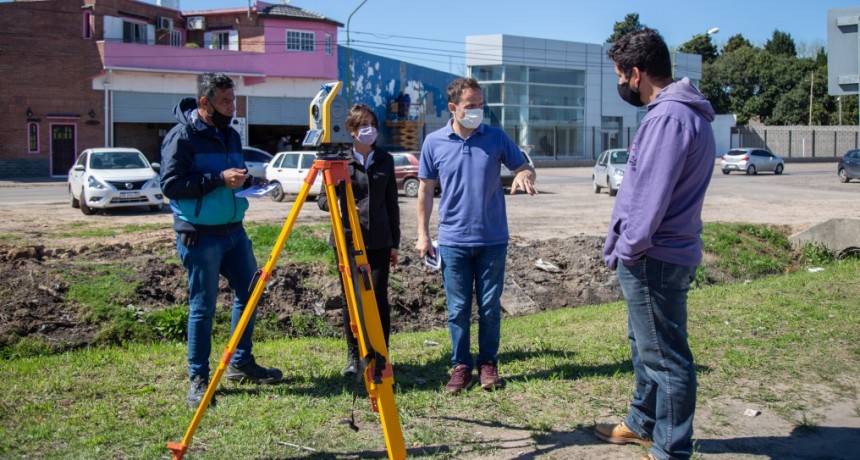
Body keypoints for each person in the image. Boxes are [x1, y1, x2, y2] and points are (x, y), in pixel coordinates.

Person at [596, 29, 716, 460]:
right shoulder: (683, 113)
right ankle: (642, 422)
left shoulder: (668, 118)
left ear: (637, 73)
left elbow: (649, 197)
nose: (620, 85)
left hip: (654, 256)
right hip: (661, 252)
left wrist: (628, 248)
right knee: (646, 346)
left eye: (620, 75)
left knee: (666, 358)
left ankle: (669, 448)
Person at [161, 72, 282, 409]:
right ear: (205, 102)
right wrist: (217, 179)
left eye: (234, 100)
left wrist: (247, 183)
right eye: (226, 102)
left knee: (251, 291)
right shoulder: (181, 137)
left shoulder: (229, 134)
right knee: (203, 306)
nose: (232, 107)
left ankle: (241, 362)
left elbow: (231, 179)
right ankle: (198, 378)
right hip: (199, 233)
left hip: (234, 230)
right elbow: (171, 185)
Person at [416, 77, 537, 394]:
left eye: (481, 105)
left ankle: (487, 364)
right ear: (453, 108)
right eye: (471, 107)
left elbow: (523, 166)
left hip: (493, 240)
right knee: (457, 309)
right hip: (453, 241)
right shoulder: (433, 143)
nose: (478, 112)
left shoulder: (496, 137)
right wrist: (422, 235)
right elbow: (425, 191)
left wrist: (524, 174)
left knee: (489, 307)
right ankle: (460, 367)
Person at [318, 104, 401, 376]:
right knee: (350, 299)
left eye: (373, 124)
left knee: (377, 296)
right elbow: (322, 199)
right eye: (364, 125)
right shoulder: (340, 160)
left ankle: (381, 353)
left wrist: (395, 243)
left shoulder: (385, 160)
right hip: (347, 240)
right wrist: (340, 206)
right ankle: (354, 356)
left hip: (379, 240)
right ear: (352, 131)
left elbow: (392, 204)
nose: (370, 130)